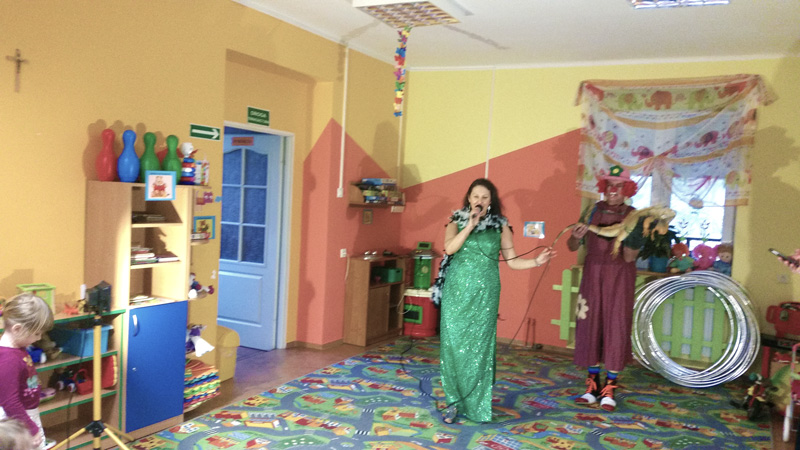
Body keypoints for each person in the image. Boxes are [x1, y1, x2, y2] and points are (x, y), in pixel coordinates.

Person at [432, 178, 555, 423]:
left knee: (479, 348)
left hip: (485, 293)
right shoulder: (455, 221)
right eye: (475, 196)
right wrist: (469, 225)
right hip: (456, 292)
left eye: (484, 197)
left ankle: (477, 404)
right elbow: (450, 249)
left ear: (491, 201)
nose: (479, 201)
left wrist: (536, 261)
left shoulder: (501, 226)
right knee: (453, 346)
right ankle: (453, 402)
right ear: (469, 199)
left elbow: (512, 261)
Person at [567, 165, 645, 412]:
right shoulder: (591, 211)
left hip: (619, 276)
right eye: (610, 185)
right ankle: (592, 386)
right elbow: (572, 246)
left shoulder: (634, 216)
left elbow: (630, 257)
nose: (613, 190)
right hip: (592, 275)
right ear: (604, 187)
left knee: (615, 326)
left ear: (627, 189)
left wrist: (633, 237)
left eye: (619, 186)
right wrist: (576, 235)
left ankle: (609, 388)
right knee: (590, 325)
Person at [0, 293, 55, 450]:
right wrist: (31, 429)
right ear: (17, 329)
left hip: (25, 415)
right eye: (36, 333)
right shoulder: (8, 359)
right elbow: (9, 402)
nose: (39, 338)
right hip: (17, 419)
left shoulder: (18, 348)